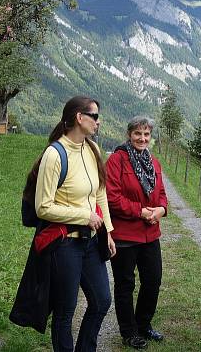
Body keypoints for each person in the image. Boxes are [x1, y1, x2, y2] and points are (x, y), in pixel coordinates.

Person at [24, 95, 117, 352]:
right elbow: (43, 207)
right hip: (64, 244)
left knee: (101, 301)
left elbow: (100, 193)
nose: (98, 122)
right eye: (95, 116)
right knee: (65, 312)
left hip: (90, 243)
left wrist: (108, 230)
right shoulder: (55, 154)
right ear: (79, 117)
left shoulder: (92, 149)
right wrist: (84, 216)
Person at [106, 116, 169, 350]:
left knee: (153, 281)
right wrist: (141, 212)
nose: (142, 138)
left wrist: (161, 209)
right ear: (129, 134)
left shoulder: (154, 162)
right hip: (124, 235)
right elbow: (112, 198)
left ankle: (144, 325)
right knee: (125, 284)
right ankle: (129, 331)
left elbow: (161, 192)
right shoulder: (117, 160)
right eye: (138, 134)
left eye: (146, 135)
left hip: (150, 233)